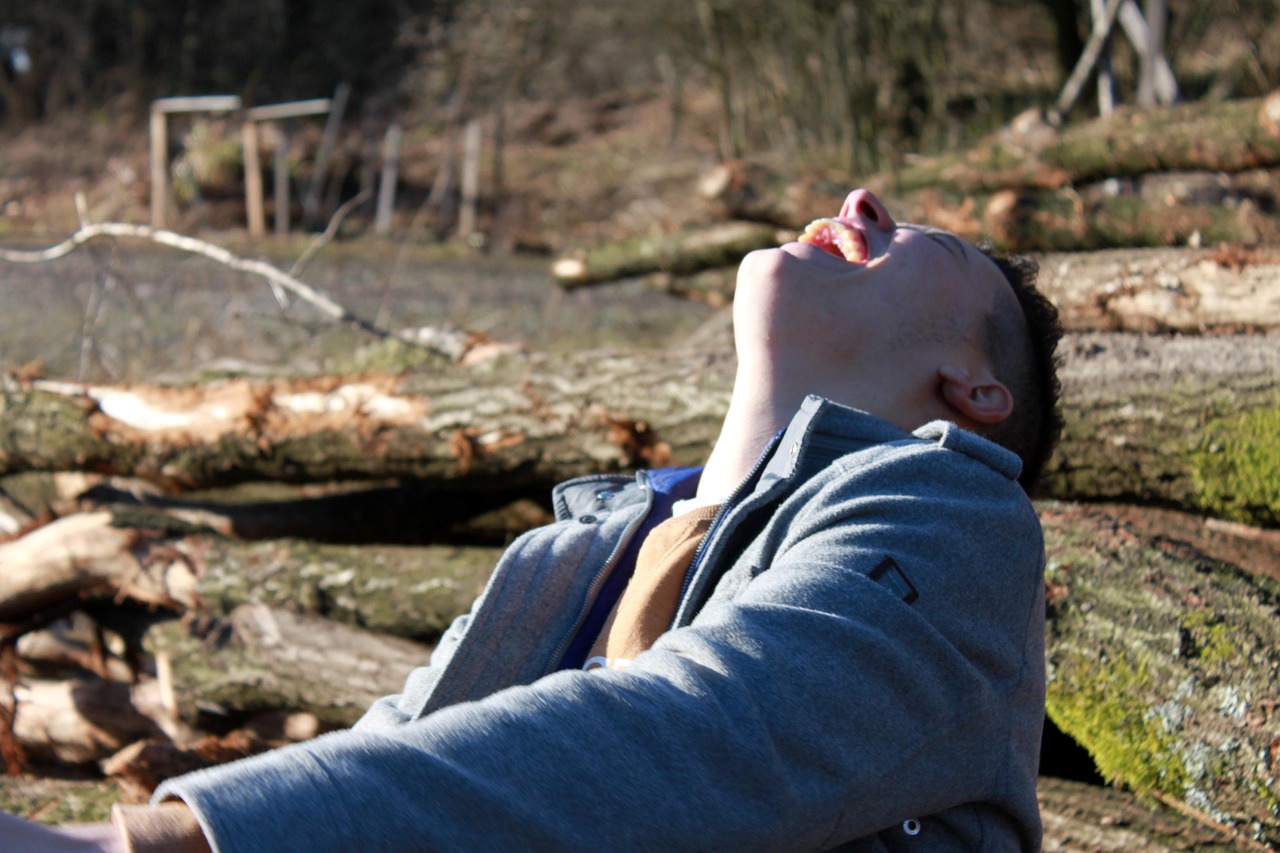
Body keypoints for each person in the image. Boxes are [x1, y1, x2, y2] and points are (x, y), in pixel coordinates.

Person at [8, 188, 1063, 852]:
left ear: (972, 387)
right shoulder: (588, 550)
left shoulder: (959, 516)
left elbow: (697, 743)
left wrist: (149, 843)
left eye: (942, 248)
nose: (863, 199)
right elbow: (398, 754)